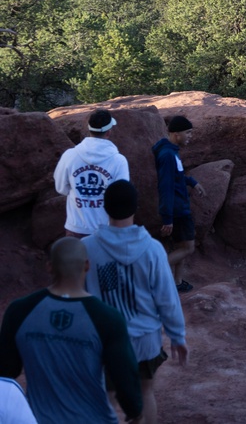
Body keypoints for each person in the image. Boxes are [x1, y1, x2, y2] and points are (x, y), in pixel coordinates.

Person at [0, 237, 143, 424]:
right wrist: (134, 411)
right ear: (87, 265)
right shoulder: (107, 317)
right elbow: (124, 377)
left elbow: (6, 370)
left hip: (38, 419)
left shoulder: (19, 310)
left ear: (49, 266)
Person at [82, 180, 187, 424]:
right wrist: (177, 336)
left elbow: (79, 297)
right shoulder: (153, 249)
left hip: (104, 342)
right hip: (145, 339)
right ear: (135, 208)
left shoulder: (85, 248)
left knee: (106, 396)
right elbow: (167, 298)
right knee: (145, 392)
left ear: (105, 208)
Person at [54, 109, 130, 237]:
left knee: (74, 257)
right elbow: (121, 196)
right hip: (105, 230)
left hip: (75, 228)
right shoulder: (118, 160)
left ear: (89, 129)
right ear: (109, 132)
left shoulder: (70, 156)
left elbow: (61, 188)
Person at [152, 115, 205, 293]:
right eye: (188, 132)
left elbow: (177, 176)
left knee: (181, 246)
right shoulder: (167, 155)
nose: (190, 136)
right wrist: (167, 217)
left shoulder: (171, 151)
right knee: (188, 247)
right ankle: (152, 275)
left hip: (179, 206)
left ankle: (176, 282)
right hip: (177, 209)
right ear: (176, 134)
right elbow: (165, 186)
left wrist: (192, 182)